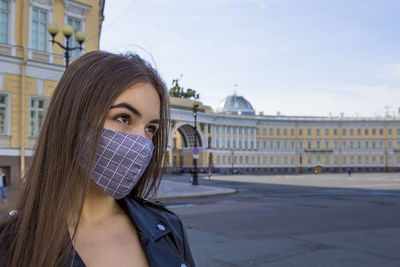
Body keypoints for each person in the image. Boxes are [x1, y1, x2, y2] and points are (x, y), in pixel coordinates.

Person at [0, 51, 195, 267]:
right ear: (72, 119)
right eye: (123, 117)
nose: (142, 143)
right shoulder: (10, 244)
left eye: (151, 128)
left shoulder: (167, 227)